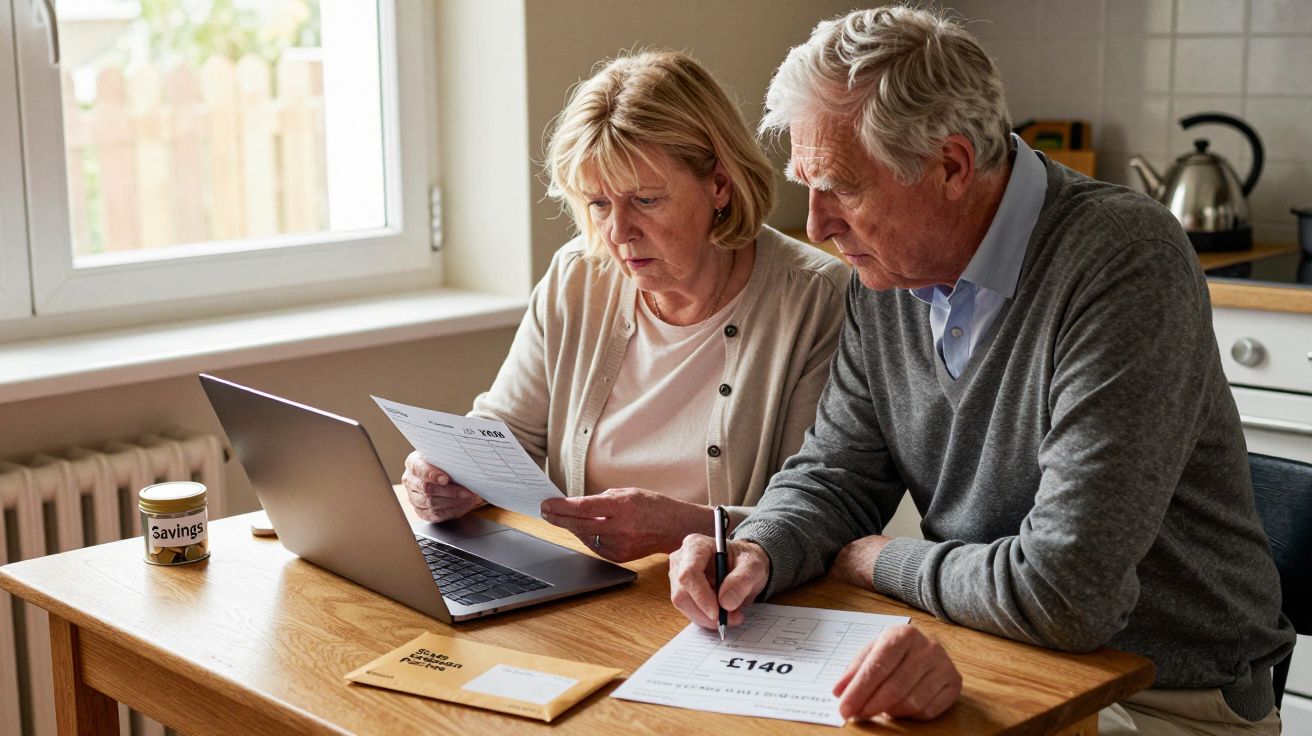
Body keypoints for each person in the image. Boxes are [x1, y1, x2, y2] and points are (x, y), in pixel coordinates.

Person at [668, 6, 1295, 731]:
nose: (817, 225)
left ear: (952, 167)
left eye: (841, 185)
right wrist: (759, 548)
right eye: (807, 185)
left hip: (1161, 693)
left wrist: (877, 562)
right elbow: (836, 476)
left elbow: (1066, 594)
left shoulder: (1124, 262)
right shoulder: (889, 271)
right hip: (996, 650)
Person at [402, 51, 849, 563]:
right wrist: (450, 475)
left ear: (719, 184)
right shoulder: (578, 275)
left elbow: (819, 513)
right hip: (586, 588)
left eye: (646, 200)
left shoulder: (815, 298)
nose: (617, 233)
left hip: (733, 604)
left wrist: (684, 528)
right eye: (598, 203)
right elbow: (506, 434)